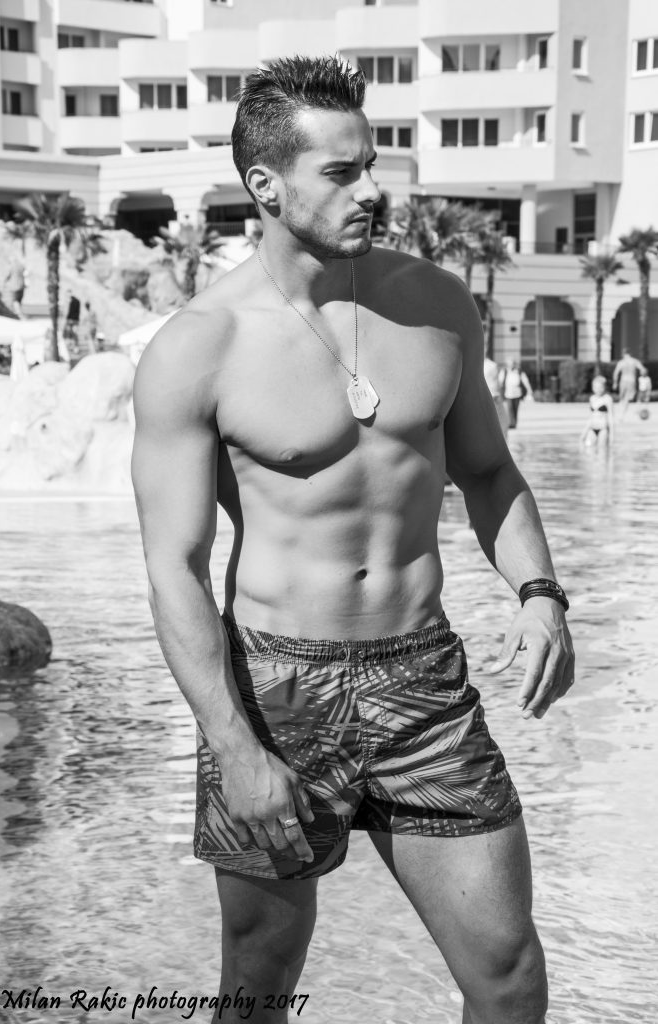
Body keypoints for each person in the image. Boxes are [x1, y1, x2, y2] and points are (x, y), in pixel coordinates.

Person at [132, 56, 574, 1024]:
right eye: (339, 173)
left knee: (507, 974)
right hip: (275, 690)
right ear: (265, 185)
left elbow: (487, 473)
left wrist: (540, 594)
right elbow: (174, 569)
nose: (370, 189)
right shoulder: (199, 346)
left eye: (370, 164)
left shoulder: (436, 305)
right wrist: (233, 747)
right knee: (257, 985)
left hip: (421, 680)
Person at [580, 374, 614, 448]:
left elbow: (611, 417)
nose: (598, 389)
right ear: (593, 387)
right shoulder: (592, 399)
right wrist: (584, 433)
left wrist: (612, 435)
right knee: (589, 448)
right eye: (596, 387)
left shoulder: (607, 399)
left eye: (600, 387)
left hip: (603, 429)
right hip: (592, 428)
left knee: (602, 449)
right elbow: (590, 417)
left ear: (604, 387)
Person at [499, 358, 533, 429]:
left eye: (512, 363)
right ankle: (511, 423)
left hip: (517, 393)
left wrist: (529, 389)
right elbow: (500, 381)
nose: (510, 365)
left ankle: (514, 423)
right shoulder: (504, 371)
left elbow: (525, 381)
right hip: (508, 393)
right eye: (509, 364)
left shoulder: (519, 371)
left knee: (515, 409)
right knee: (510, 409)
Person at [612, 348, 646, 417]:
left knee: (622, 398)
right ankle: (622, 413)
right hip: (631, 381)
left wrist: (615, 383)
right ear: (630, 353)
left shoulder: (621, 362)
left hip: (623, 381)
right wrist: (643, 378)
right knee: (627, 398)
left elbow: (616, 373)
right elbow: (643, 369)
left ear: (623, 354)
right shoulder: (634, 361)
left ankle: (620, 412)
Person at [483, 355, 509, 437]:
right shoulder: (492, 365)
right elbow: (497, 384)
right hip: (493, 396)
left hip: (492, 396)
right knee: (501, 423)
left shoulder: (491, 365)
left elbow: (497, 384)